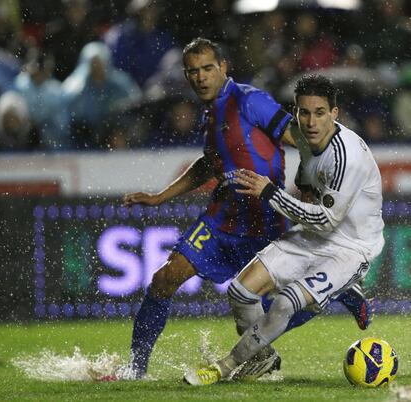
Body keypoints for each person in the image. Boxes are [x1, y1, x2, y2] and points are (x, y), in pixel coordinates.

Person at [122, 39, 372, 380]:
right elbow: (210, 164)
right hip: (222, 216)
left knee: (274, 306)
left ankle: (338, 292)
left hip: (264, 218)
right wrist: (160, 197)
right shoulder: (211, 113)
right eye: (193, 71)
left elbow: (303, 138)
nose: (201, 77)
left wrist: (316, 185)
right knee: (164, 278)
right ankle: (135, 370)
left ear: (224, 67)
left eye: (208, 68)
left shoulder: (250, 100)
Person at [183, 74, 384, 385]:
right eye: (304, 112)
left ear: (335, 114)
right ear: (296, 112)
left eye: (319, 113)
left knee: (285, 302)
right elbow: (307, 177)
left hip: (350, 247)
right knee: (240, 291)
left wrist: (270, 193)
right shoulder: (307, 138)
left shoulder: (348, 157)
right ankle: (262, 358)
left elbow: (327, 219)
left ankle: (226, 365)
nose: (311, 121)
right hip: (313, 233)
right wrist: (297, 193)